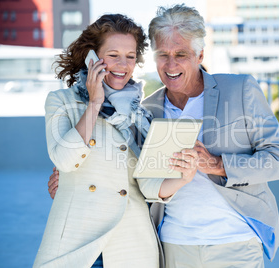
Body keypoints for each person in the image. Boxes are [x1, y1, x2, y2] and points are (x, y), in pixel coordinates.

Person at [49, 4, 279, 268]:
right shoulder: (145, 110)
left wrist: (218, 164)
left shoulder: (240, 90)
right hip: (174, 244)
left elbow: (278, 160)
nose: (171, 64)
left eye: (181, 54)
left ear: (199, 55)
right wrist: (76, 182)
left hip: (236, 240)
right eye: (163, 54)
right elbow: (139, 176)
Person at [35, 13, 199, 268]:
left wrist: (182, 178)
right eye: (113, 56)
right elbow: (65, 160)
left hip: (129, 245)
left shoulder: (141, 114)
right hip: (77, 243)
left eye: (131, 56)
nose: (123, 65)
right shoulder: (62, 102)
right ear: (93, 58)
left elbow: (148, 185)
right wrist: (95, 102)